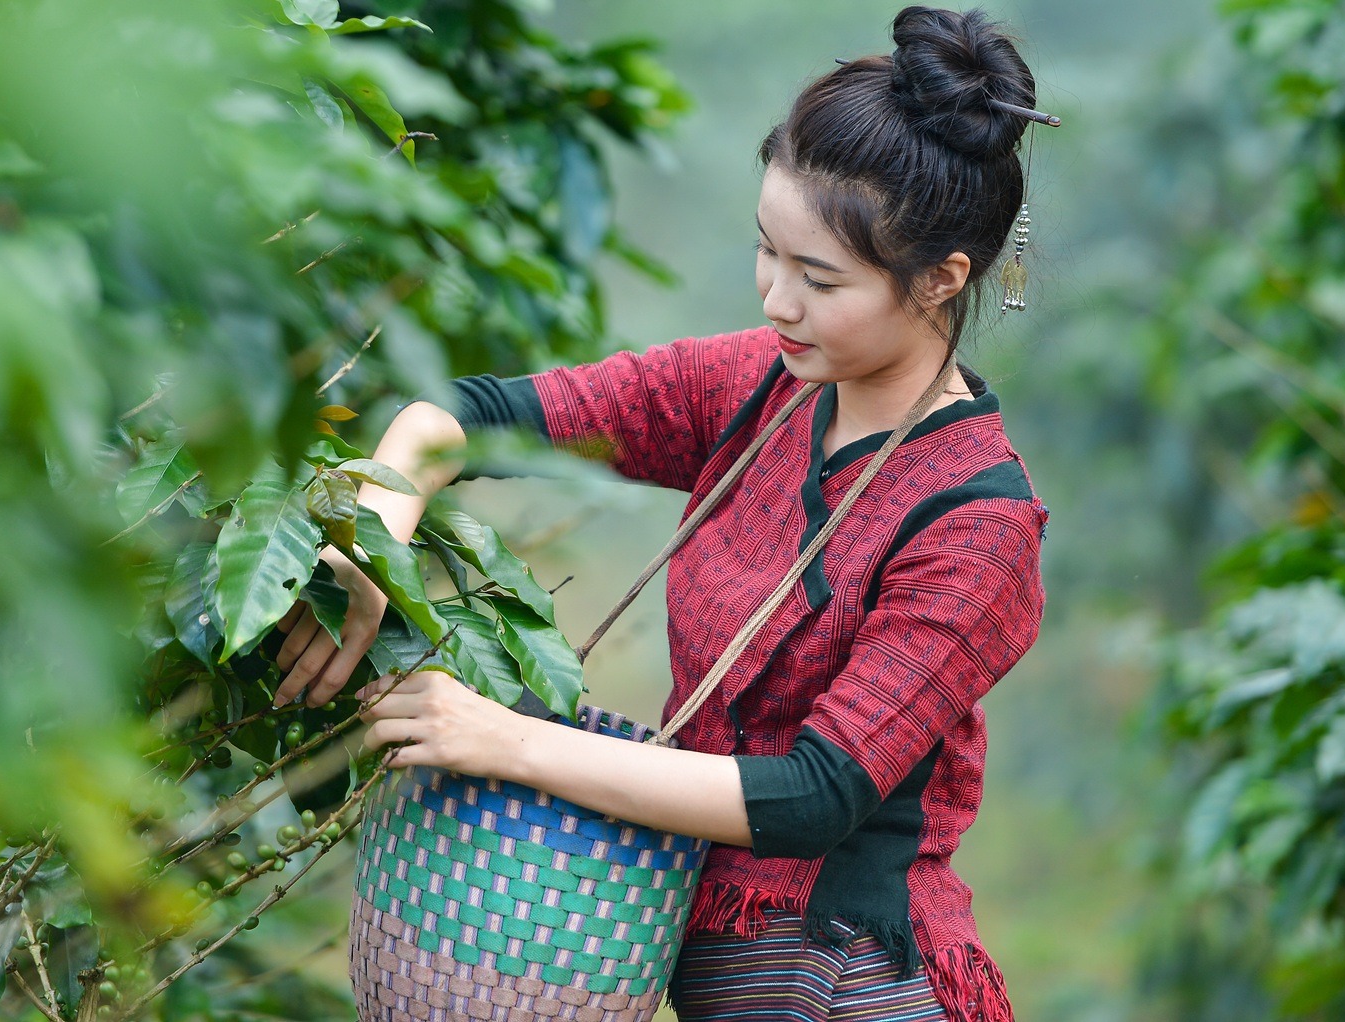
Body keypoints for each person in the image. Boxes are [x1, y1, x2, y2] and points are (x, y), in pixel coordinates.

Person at [271, 7, 1052, 1020]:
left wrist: (506, 740)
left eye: (820, 279)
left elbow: (815, 792)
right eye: (767, 251)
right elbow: (474, 416)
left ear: (942, 278)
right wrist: (368, 548)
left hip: (853, 981)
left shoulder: (976, 520)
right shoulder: (753, 385)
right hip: (705, 972)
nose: (775, 298)